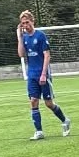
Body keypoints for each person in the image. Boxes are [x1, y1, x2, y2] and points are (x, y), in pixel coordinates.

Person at [16, 12, 71, 141]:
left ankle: (65, 120)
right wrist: (19, 37)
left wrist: (43, 74)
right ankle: (39, 131)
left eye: (27, 22)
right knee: (33, 101)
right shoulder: (24, 37)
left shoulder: (40, 35)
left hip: (43, 74)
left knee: (48, 103)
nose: (25, 25)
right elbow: (21, 54)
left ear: (32, 21)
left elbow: (47, 55)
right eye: (23, 23)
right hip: (31, 75)